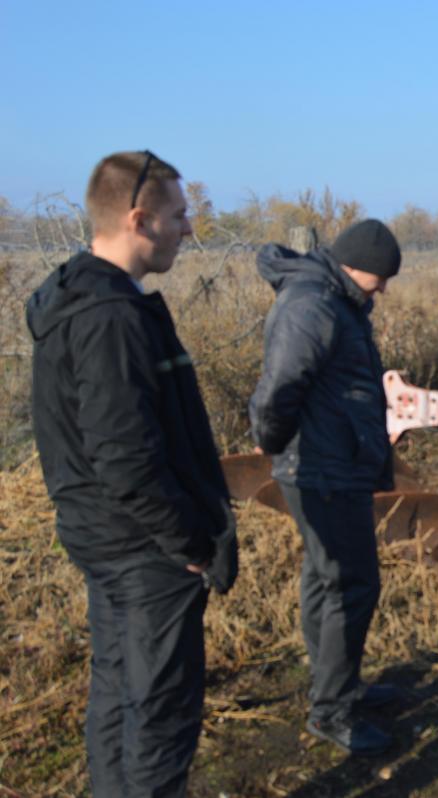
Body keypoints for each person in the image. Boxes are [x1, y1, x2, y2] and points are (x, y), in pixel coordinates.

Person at [25, 150, 238, 797]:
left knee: (119, 692)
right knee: (159, 715)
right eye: (179, 215)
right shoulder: (109, 318)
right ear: (139, 219)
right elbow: (125, 458)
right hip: (144, 551)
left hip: (106, 537)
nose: (189, 227)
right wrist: (192, 545)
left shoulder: (85, 299)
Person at [248, 219, 403, 755]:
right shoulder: (313, 304)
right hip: (320, 466)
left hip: (330, 461)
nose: (382, 288)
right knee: (352, 585)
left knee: (325, 577)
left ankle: (336, 684)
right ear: (354, 265)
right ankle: (332, 711)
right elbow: (280, 387)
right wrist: (275, 444)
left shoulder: (335, 299)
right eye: (380, 278)